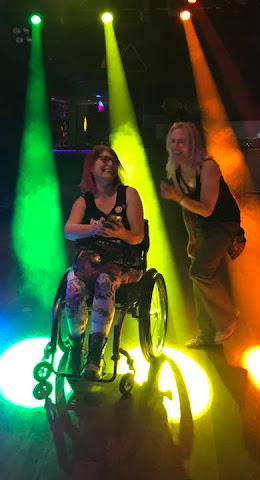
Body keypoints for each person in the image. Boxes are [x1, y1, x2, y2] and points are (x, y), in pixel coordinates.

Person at [63, 145, 145, 379]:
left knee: (104, 281)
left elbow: (138, 236)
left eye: (112, 160)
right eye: (103, 160)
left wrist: (118, 233)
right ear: (91, 167)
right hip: (89, 263)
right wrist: (95, 228)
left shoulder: (129, 194)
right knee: (73, 287)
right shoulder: (84, 201)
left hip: (122, 263)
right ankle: (76, 348)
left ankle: (95, 355)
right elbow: (69, 230)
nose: (109, 164)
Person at [159, 122, 243, 348]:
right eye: (173, 141)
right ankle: (207, 334)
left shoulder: (208, 167)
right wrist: (191, 238)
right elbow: (188, 210)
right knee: (196, 277)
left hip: (224, 223)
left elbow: (206, 208)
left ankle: (228, 316)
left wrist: (177, 197)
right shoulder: (175, 171)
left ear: (192, 143)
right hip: (203, 226)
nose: (176, 146)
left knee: (200, 272)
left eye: (181, 141)